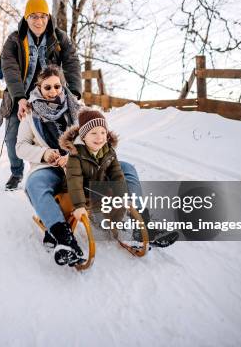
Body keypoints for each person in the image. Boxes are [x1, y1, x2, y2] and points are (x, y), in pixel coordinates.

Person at [16, 65, 148, 266]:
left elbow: (92, 136)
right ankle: (63, 238)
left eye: (57, 87)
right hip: (51, 168)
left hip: (83, 163)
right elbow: (21, 147)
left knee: (127, 168)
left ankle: (140, 221)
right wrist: (45, 153)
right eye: (47, 87)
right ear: (39, 88)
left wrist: (75, 155)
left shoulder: (77, 109)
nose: (53, 92)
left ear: (63, 86)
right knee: (35, 184)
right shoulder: (30, 115)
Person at [59, 108, 179, 249]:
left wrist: (123, 196)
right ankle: (126, 228)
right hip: (82, 192)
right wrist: (79, 206)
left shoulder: (108, 150)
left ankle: (139, 226)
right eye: (94, 133)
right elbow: (74, 181)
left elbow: (117, 174)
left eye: (103, 132)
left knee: (121, 191)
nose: (100, 137)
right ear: (83, 136)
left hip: (100, 187)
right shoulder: (75, 154)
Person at [0, 0, 82, 191]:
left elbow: (72, 62)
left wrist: (74, 94)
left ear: (49, 18)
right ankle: (16, 172)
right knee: (13, 137)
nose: (39, 21)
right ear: (26, 18)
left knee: (58, 134)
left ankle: (58, 171)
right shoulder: (14, 40)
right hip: (19, 95)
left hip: (50, 95)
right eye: (34, 16)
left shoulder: (59, 37)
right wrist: (19, 98)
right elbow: (10, 69)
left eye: (43, 16)